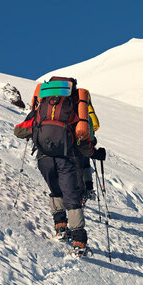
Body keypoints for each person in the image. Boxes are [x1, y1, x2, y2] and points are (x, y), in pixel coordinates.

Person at [14, 77, 99, 256]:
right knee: (72, 197)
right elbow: (82, 138)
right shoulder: (73, 109)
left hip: (43, 159)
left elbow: (19, 131)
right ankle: (79, 241)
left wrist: (38, 129)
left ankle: (60, 227)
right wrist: (93, 153)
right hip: (66, 159)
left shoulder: (41, 109)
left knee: (55, 191)